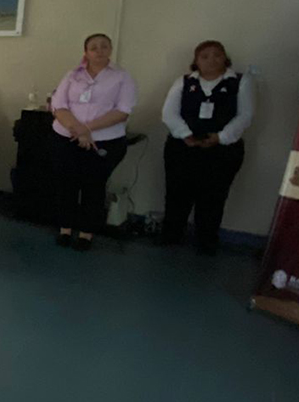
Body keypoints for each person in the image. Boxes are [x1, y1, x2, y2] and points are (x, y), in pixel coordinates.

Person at [160, 40, 254, 254]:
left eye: (217, 55)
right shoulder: (184, 81)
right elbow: (169, 113)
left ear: (225, 58)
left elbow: (245, 115)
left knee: (213, 196)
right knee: (177, 193)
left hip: (222, 150)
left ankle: (206, 240)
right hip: (183, 147)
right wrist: (186, 134)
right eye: (205, 56)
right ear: (196, 61)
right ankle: (171, 235)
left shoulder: (240, 82)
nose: (211, 60)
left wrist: (220, 137)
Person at [50, 33, 137, 251]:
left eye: (104, 46)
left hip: (105, 141)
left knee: (93, 187)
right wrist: (78, 130)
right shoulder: (72, 75)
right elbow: (58, 105)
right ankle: (65, 229)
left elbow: (123, 111)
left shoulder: (121, 76)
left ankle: (86, 233)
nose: (99, 51)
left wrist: (87, 129)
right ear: (86, 52)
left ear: (110, 50)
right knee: (66, 184)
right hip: (67, 137)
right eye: (94, 47)